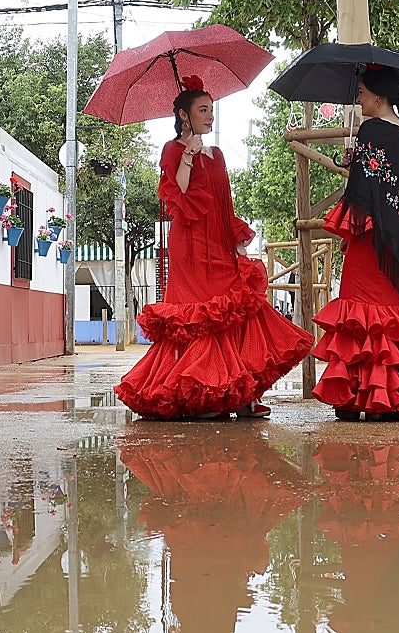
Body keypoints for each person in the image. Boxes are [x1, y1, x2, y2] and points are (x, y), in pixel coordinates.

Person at [115, 75, 313, 419]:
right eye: (203, 110)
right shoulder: (172, 150)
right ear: (183, 115)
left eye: (212, 110)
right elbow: (179, 196)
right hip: (189, 247)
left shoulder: (218, 154)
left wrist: (238, 245)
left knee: (237, 310)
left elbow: (225, 204)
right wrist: (189, 157)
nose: (210, 116)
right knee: (199, 317)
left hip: (220, 244)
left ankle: (240, 395)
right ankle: (202, 393)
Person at [315, 65, 399, 422]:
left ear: (378, 95)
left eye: (361, 91)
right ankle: (393, 396)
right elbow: (390, 183)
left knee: (361, 312)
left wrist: (354, 167)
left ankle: (361, 393)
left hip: (370, 235)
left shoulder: (370, 129)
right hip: (397, 234)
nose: (358, 97)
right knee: (390, 312)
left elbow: (362, 191)